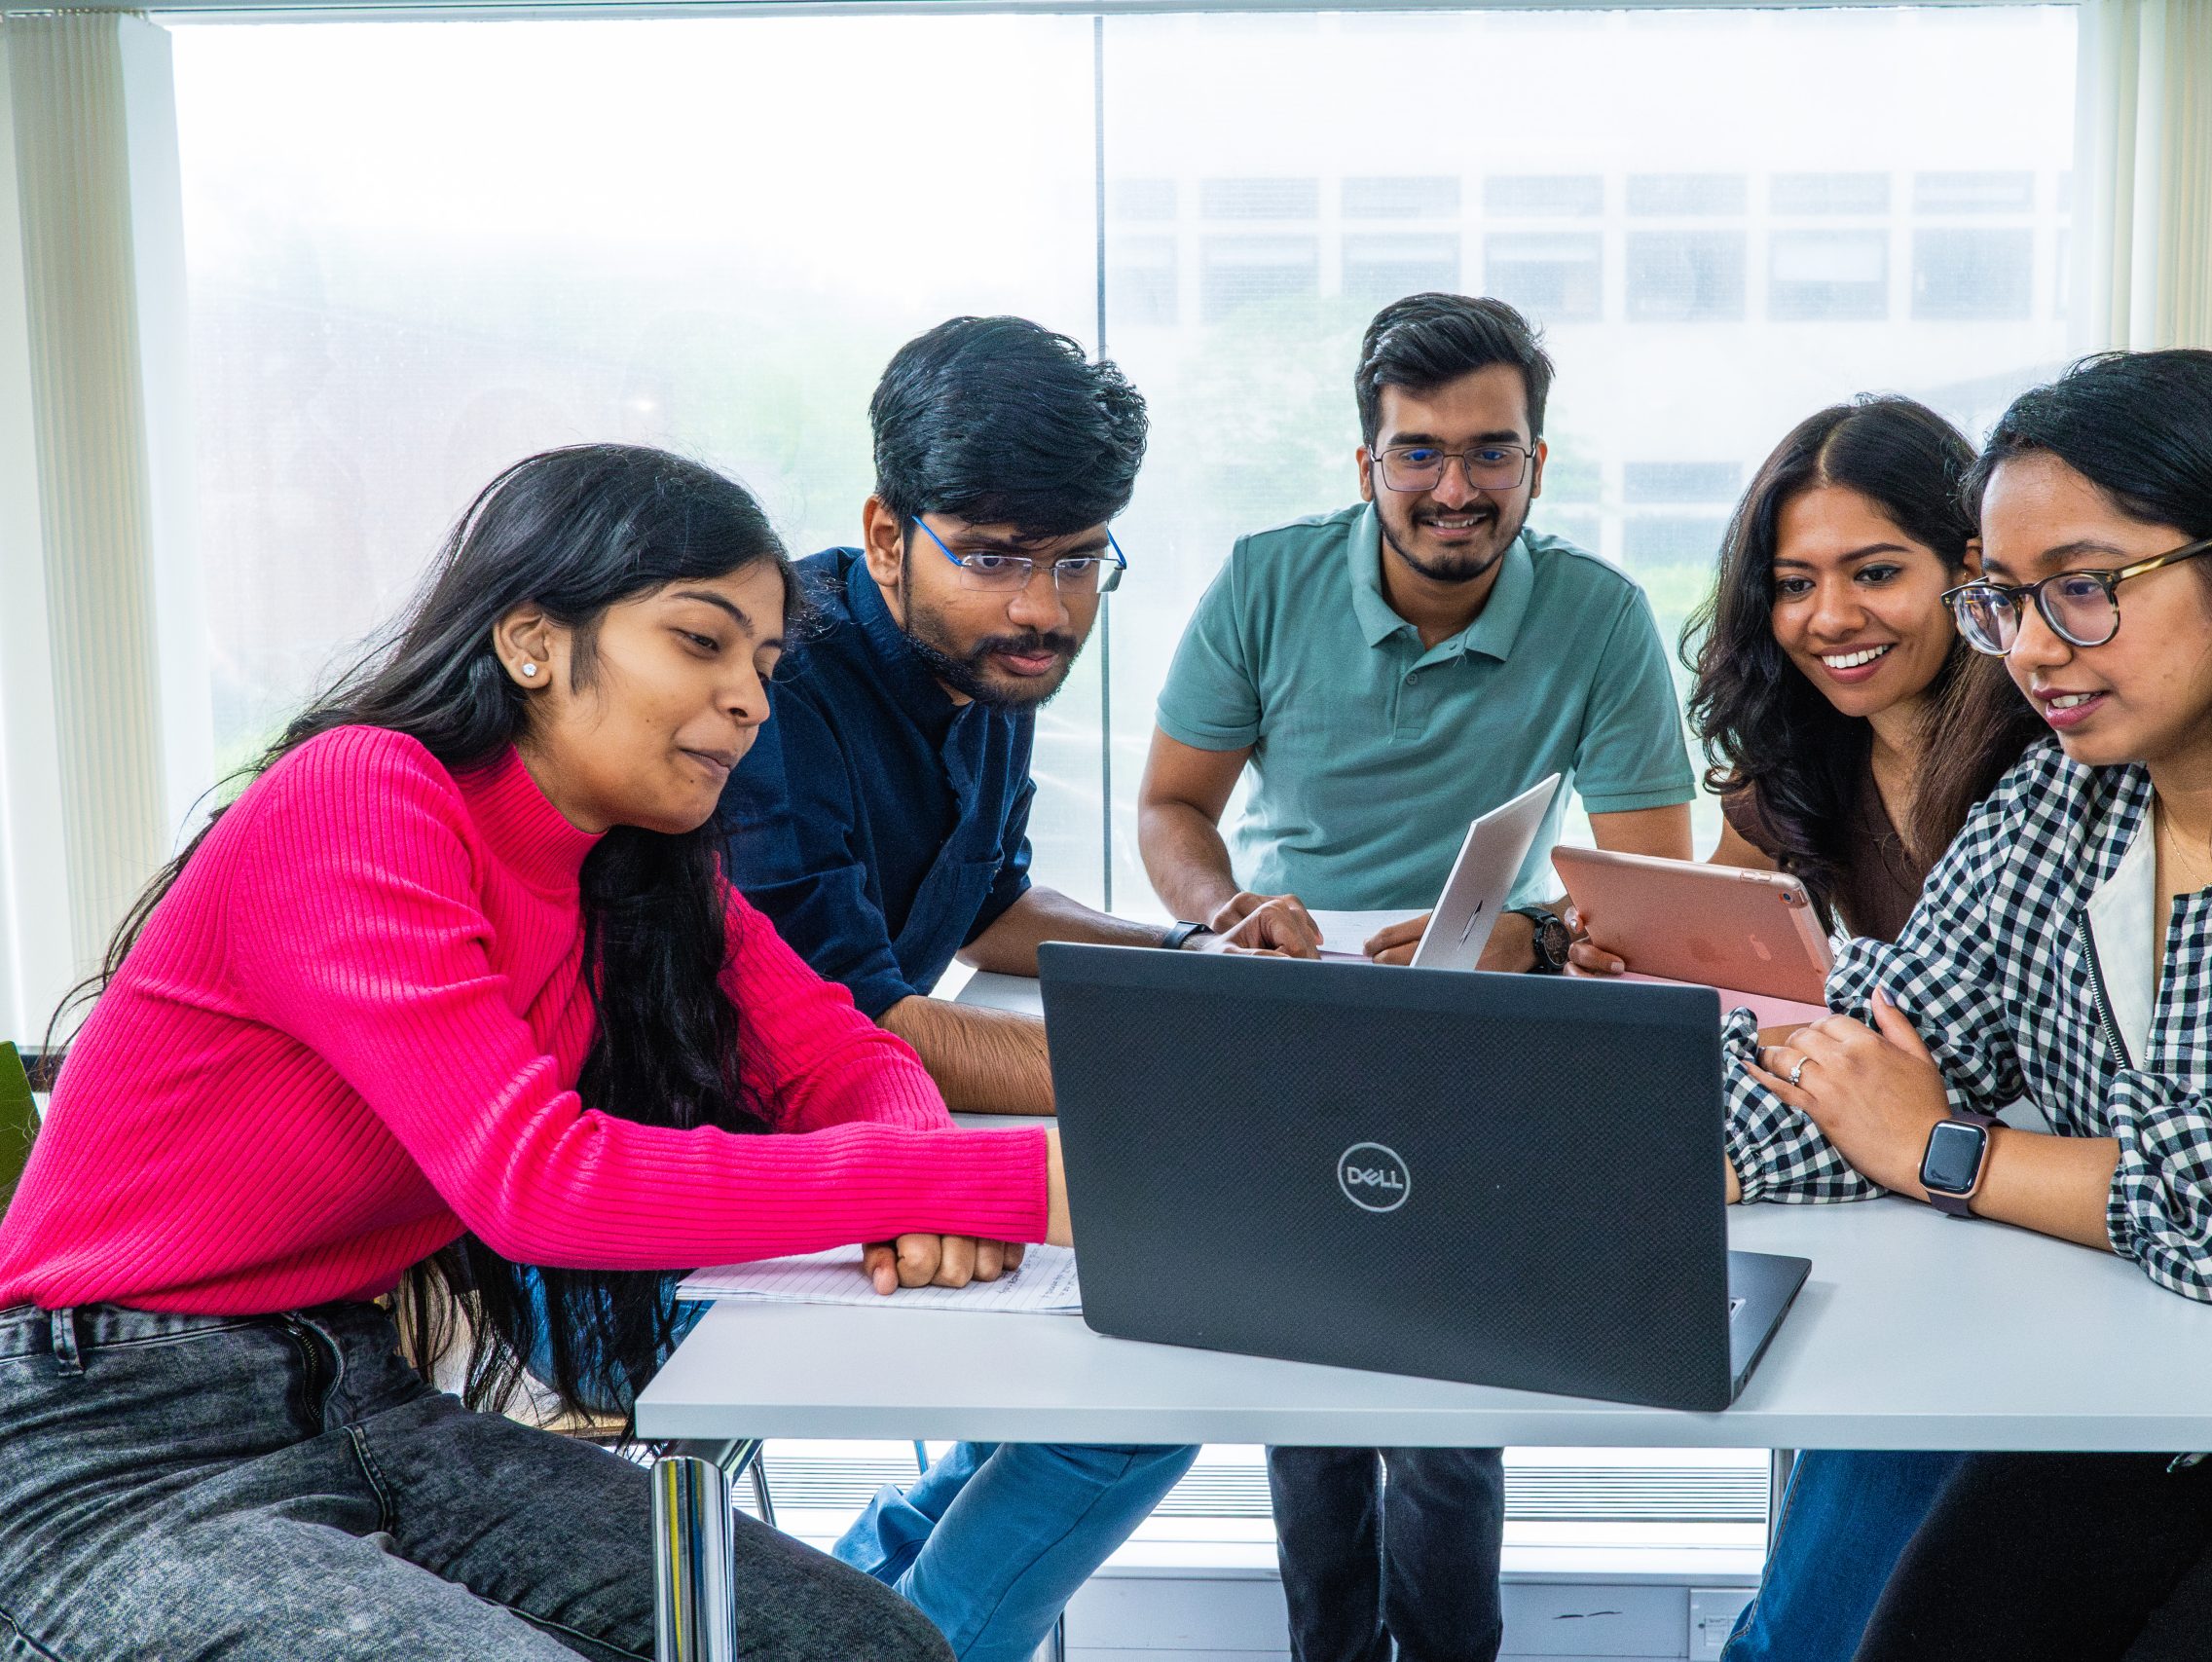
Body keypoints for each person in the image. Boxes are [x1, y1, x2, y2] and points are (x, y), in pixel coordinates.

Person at [0, 444, 1060, 1661]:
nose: (752, 702)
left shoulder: (640, 871)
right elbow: (536, 1184)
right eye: (701, 643)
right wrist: (1007, 1186)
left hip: (364, 1401)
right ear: (531, 642)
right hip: (100, 1444)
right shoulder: (363, 793)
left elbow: (843, 1056)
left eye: (765, 667)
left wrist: (915, 1167)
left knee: (876, 1646)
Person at [1725, 350, 2212, 1661]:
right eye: (2005, 601)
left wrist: (1949, 1150)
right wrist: (1668, 1155)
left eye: (2081, 590)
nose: (2029, 649)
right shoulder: (2058, 807)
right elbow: (1870, 1055)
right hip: (2152, 1406)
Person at [721, 316, 1301, 1662]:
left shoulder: (991, 660)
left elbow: (982, 902)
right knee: (1166, 1355)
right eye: (989, 554)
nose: (1042, 605)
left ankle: (870, 1606)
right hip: (732, 1162)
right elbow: (855, 1019)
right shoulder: (776, 690)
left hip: (876, 1123)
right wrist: (1184, 1053)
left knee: (1141, 1350)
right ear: (885, 532)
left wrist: (1189, 959)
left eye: (1078, 558)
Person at [1138, 292, 1698, 1662]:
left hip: (1486, 1021)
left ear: (1538, 464)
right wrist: (1223, 911)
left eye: (1491, 452)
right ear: (1367, 462)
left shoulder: (1601, 614)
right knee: (1311, 1395)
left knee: (1445, 1408)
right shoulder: (1266, 581)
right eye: (1420, 453)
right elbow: (1170, 807)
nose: (1457, 487)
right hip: (1297, 1005)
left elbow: (1653, 891)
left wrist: (1540, 936)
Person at [1568, 395, 2040, 1662]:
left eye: (1877, 570)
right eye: (1794, 582)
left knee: (1827, 1605)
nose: (1831, 617)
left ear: (1971, 577)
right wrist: (1623, 957)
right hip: (1872, 1184)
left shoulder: (2054, 768)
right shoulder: (1801, 754)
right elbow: (1730, 947)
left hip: (2010, 1212)